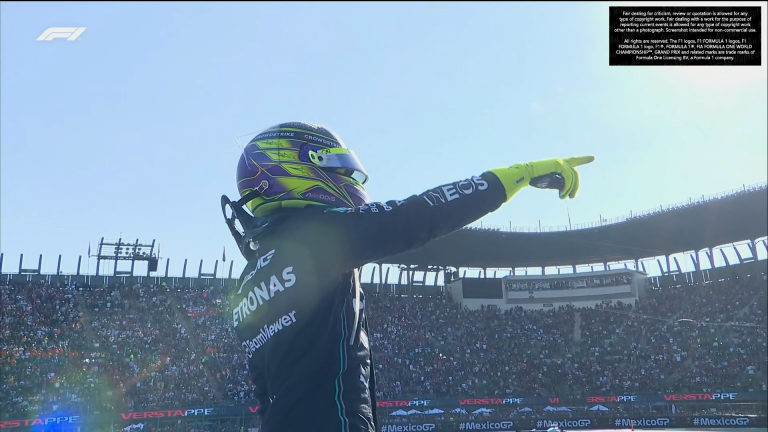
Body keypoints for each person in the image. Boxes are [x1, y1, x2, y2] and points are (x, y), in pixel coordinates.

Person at [220, 121, 595, 432]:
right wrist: (516, 175)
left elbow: (266, 394)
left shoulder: (248, 279)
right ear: (298, 167)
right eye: (337, 166)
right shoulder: (317, 236)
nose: (347, 177)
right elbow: (417, 217)